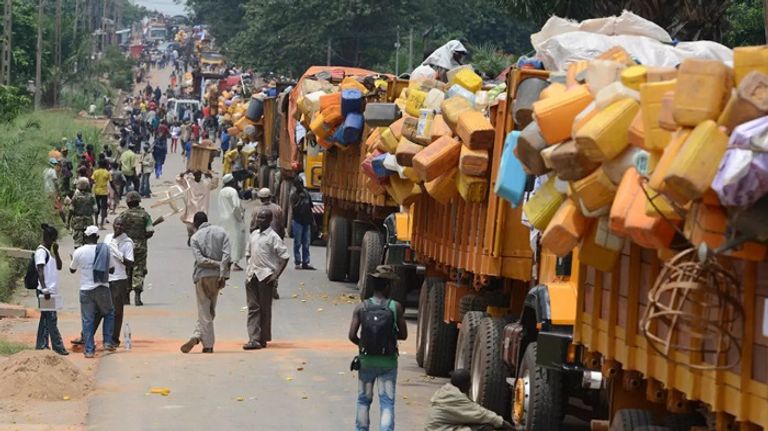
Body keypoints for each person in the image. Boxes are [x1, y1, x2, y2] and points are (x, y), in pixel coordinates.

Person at [348, 265, 407, 431]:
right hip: (388, 363)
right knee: (387, 402)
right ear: (388, 286)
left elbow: (352, 335)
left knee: (363, 400)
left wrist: (364, 345)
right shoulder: (395, 307)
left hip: (366, 362)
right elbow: (403, 335)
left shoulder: (361, 307)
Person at [181, 212, 231, 354]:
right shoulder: (221, 232)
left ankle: (207, 345)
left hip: (202, 276)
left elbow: (200, 260)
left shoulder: (195, 237)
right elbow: (227, 255)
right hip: (217, 278)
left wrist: (216, 264)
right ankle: (196, 336)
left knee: (204, 311)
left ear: (196, 224)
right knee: (210, 310)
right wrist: (222, 270)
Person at [243, 209, 289, 350]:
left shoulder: (273, 237)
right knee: (253, 308)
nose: (259, 220)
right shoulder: (254, 235)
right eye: (258, 217)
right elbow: (248, 253)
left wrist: (276, 275)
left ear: (269, 221)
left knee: (264, 309)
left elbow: (285, 256)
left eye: (263, 218)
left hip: (265, 276)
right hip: (252, 275)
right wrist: (249, 267)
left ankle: (263, 338)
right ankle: (254, 338)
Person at [69, 225, 116, 358]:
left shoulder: (79, 251)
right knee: (109, 312)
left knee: (87, 320)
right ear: (97, 237)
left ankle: (89, 350)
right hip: (102, 287)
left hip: (85, 289)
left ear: (85, 237)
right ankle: (107, 341)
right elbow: (112, 269)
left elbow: (72, 269)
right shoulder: (105, 250)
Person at [424, 369, 513, 431]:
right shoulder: (456, 398)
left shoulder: (446, 390)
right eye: (469, 383)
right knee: (485, 427)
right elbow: (483, 414)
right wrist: (511, 428)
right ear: (466, 384)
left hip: (436, 428)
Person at [34, 224, 67, 356]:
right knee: (51, 318)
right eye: (53, 239)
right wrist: (44, 288)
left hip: (51, 291)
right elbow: (40, 270)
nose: (54, 242)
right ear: (48, 238)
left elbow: (59, 267)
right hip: (45, 291)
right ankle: (58, 347)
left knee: (46, 318)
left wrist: (57, 252)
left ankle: (41, 345)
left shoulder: (49, 252)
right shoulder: (41, 252)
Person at [101, 216, 134, 347]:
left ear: (125, 227)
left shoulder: (127, 242)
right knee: (103, 309)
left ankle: (114, 339)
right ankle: (105, 337)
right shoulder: (108, 238)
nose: (119, 227)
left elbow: (130, 263)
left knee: (117, 311)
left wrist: (120, 256)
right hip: (105, 278)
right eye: (117, 224)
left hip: (119, 280)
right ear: (113, 225)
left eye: (121, 225)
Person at [120, 191, 154, 306]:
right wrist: (143, 236)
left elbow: (118, 230)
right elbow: (150, 231)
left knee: (127, 270)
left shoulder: (123, 215)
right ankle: (137, 296)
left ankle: (125, 297)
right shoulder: (145, 215)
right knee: (139, 270)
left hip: (126, 247)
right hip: (141, 246)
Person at [177, 170, 218, 246]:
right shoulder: (189, 183)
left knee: (201, 226)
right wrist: (184, 173)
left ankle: (198, 240)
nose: (198, 176)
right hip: (191, 208)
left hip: (202, 208)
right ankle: (190, 236)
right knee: (190, 226)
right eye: (196, 175)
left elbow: (215, 184)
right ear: (193, 175)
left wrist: (211, 176)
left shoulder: (206, 183)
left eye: (199, 175)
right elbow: (179, 180)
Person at [218, 174, 247, 271]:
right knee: (236, 240)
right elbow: (236, 207)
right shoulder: (233, 191)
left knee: (226, 240)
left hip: (223, 219)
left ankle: (226, 260)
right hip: (233, 219)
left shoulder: (221, 192)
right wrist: (240, 217)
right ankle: (235, 262)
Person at [289, 177, 316, 270]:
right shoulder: (294, 195)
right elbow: (294, 209)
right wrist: (300, 200)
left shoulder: (306, 194)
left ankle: (305, 262)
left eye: (301, 184)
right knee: (297, 242)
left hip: (307, 221)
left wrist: (313, 221)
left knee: (306, 243)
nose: (300, 186)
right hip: (298, 221)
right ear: (295, 186)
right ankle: (297, 261)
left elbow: (310, 207)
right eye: (298, 185)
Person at [69, 178, 97, 248]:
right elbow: (95, 209)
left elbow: (71, 210)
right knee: (89, 240)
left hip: (77, 221)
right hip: (89, 221)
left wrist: (68, 221)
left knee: (77, 242)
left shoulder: (75, 197)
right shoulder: (91, 197)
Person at [91, 159, 112, 229]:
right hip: (104, 192)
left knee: (97, 207)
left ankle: (96, 223)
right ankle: (101, 225)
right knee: (104, 208)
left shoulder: (96, 172)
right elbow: (111, 182)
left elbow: (92, 180)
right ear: (105, 165)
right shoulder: (107, 172)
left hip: (97, 191)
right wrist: (115, 191)